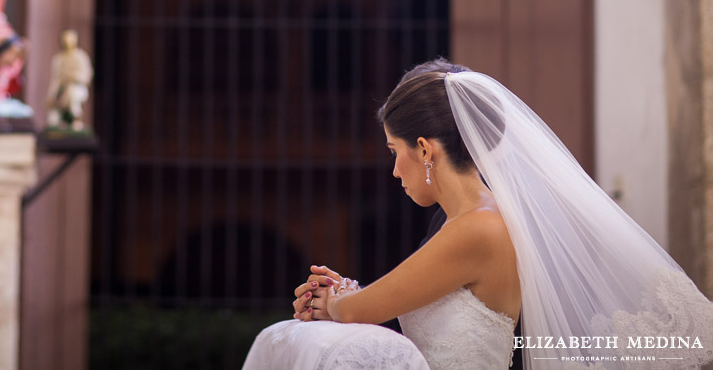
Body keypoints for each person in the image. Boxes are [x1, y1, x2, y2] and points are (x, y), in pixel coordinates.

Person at [243, 59, 713, 370]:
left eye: (395, 151)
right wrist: (340, 294)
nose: (393, 170)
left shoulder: (480, 230)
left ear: (425, 150)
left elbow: (361, 311)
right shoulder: (461, 223)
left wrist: (333, 301)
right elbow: (379, 303)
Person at [45, 29, 94, 130]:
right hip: (61, 88)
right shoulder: (59, 58)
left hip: (76, 87)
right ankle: (56, 124)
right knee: (54, 105)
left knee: (72, 93)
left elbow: (86, 76)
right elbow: (56, 78)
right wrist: (51, 95)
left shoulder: (80, 57)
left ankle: (76, 119)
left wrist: (72, 76)